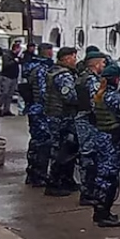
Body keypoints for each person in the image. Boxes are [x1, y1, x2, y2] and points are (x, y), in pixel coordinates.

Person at [92, 62, 120, 228]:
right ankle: (104, 214)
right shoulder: (114, 97)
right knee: (109, 177)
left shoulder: (98, 95)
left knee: (101, 175)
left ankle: (99, 211)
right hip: (112, 140)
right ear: (116, 79)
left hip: (101, 137)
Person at [43, 47, 80, 197]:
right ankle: (54, 183)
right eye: (73, 57)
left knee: (67, 150)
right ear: (66, 59)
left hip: (56, 115)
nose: (75, 60)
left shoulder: (53, 71)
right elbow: (70, 97)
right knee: (61, 151)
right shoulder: (63, 75)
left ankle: (66, 180)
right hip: (61, 117)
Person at [75, 50, 107, 206]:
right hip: (88, 121)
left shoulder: (82, 77)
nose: (104, 66)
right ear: (96, 64)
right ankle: (87, 193)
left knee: (87, 157)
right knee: (89, 158)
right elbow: (96, 103)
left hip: (82, 119)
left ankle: (87, 191)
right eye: (102, 63)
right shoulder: (92, 80)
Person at [20, 43, 54, 187]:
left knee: (36, 142)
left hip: (34, 109)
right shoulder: (41, 69)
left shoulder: (31, 66)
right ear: (47, 52)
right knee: (42, 143)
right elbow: (42, 92)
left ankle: (33, 173)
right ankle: (38, 175)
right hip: (40, 110)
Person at [0, 41, 22, 117]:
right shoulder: (7, 55)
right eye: (19, 49)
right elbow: (6, 65)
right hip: (6, 76)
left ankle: (7, 109)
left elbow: (21, 62)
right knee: (4, 93)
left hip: (13, 77)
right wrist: (14, 61)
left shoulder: (17, 56)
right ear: (16, 48)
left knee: (10, 95)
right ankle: (0, 108)